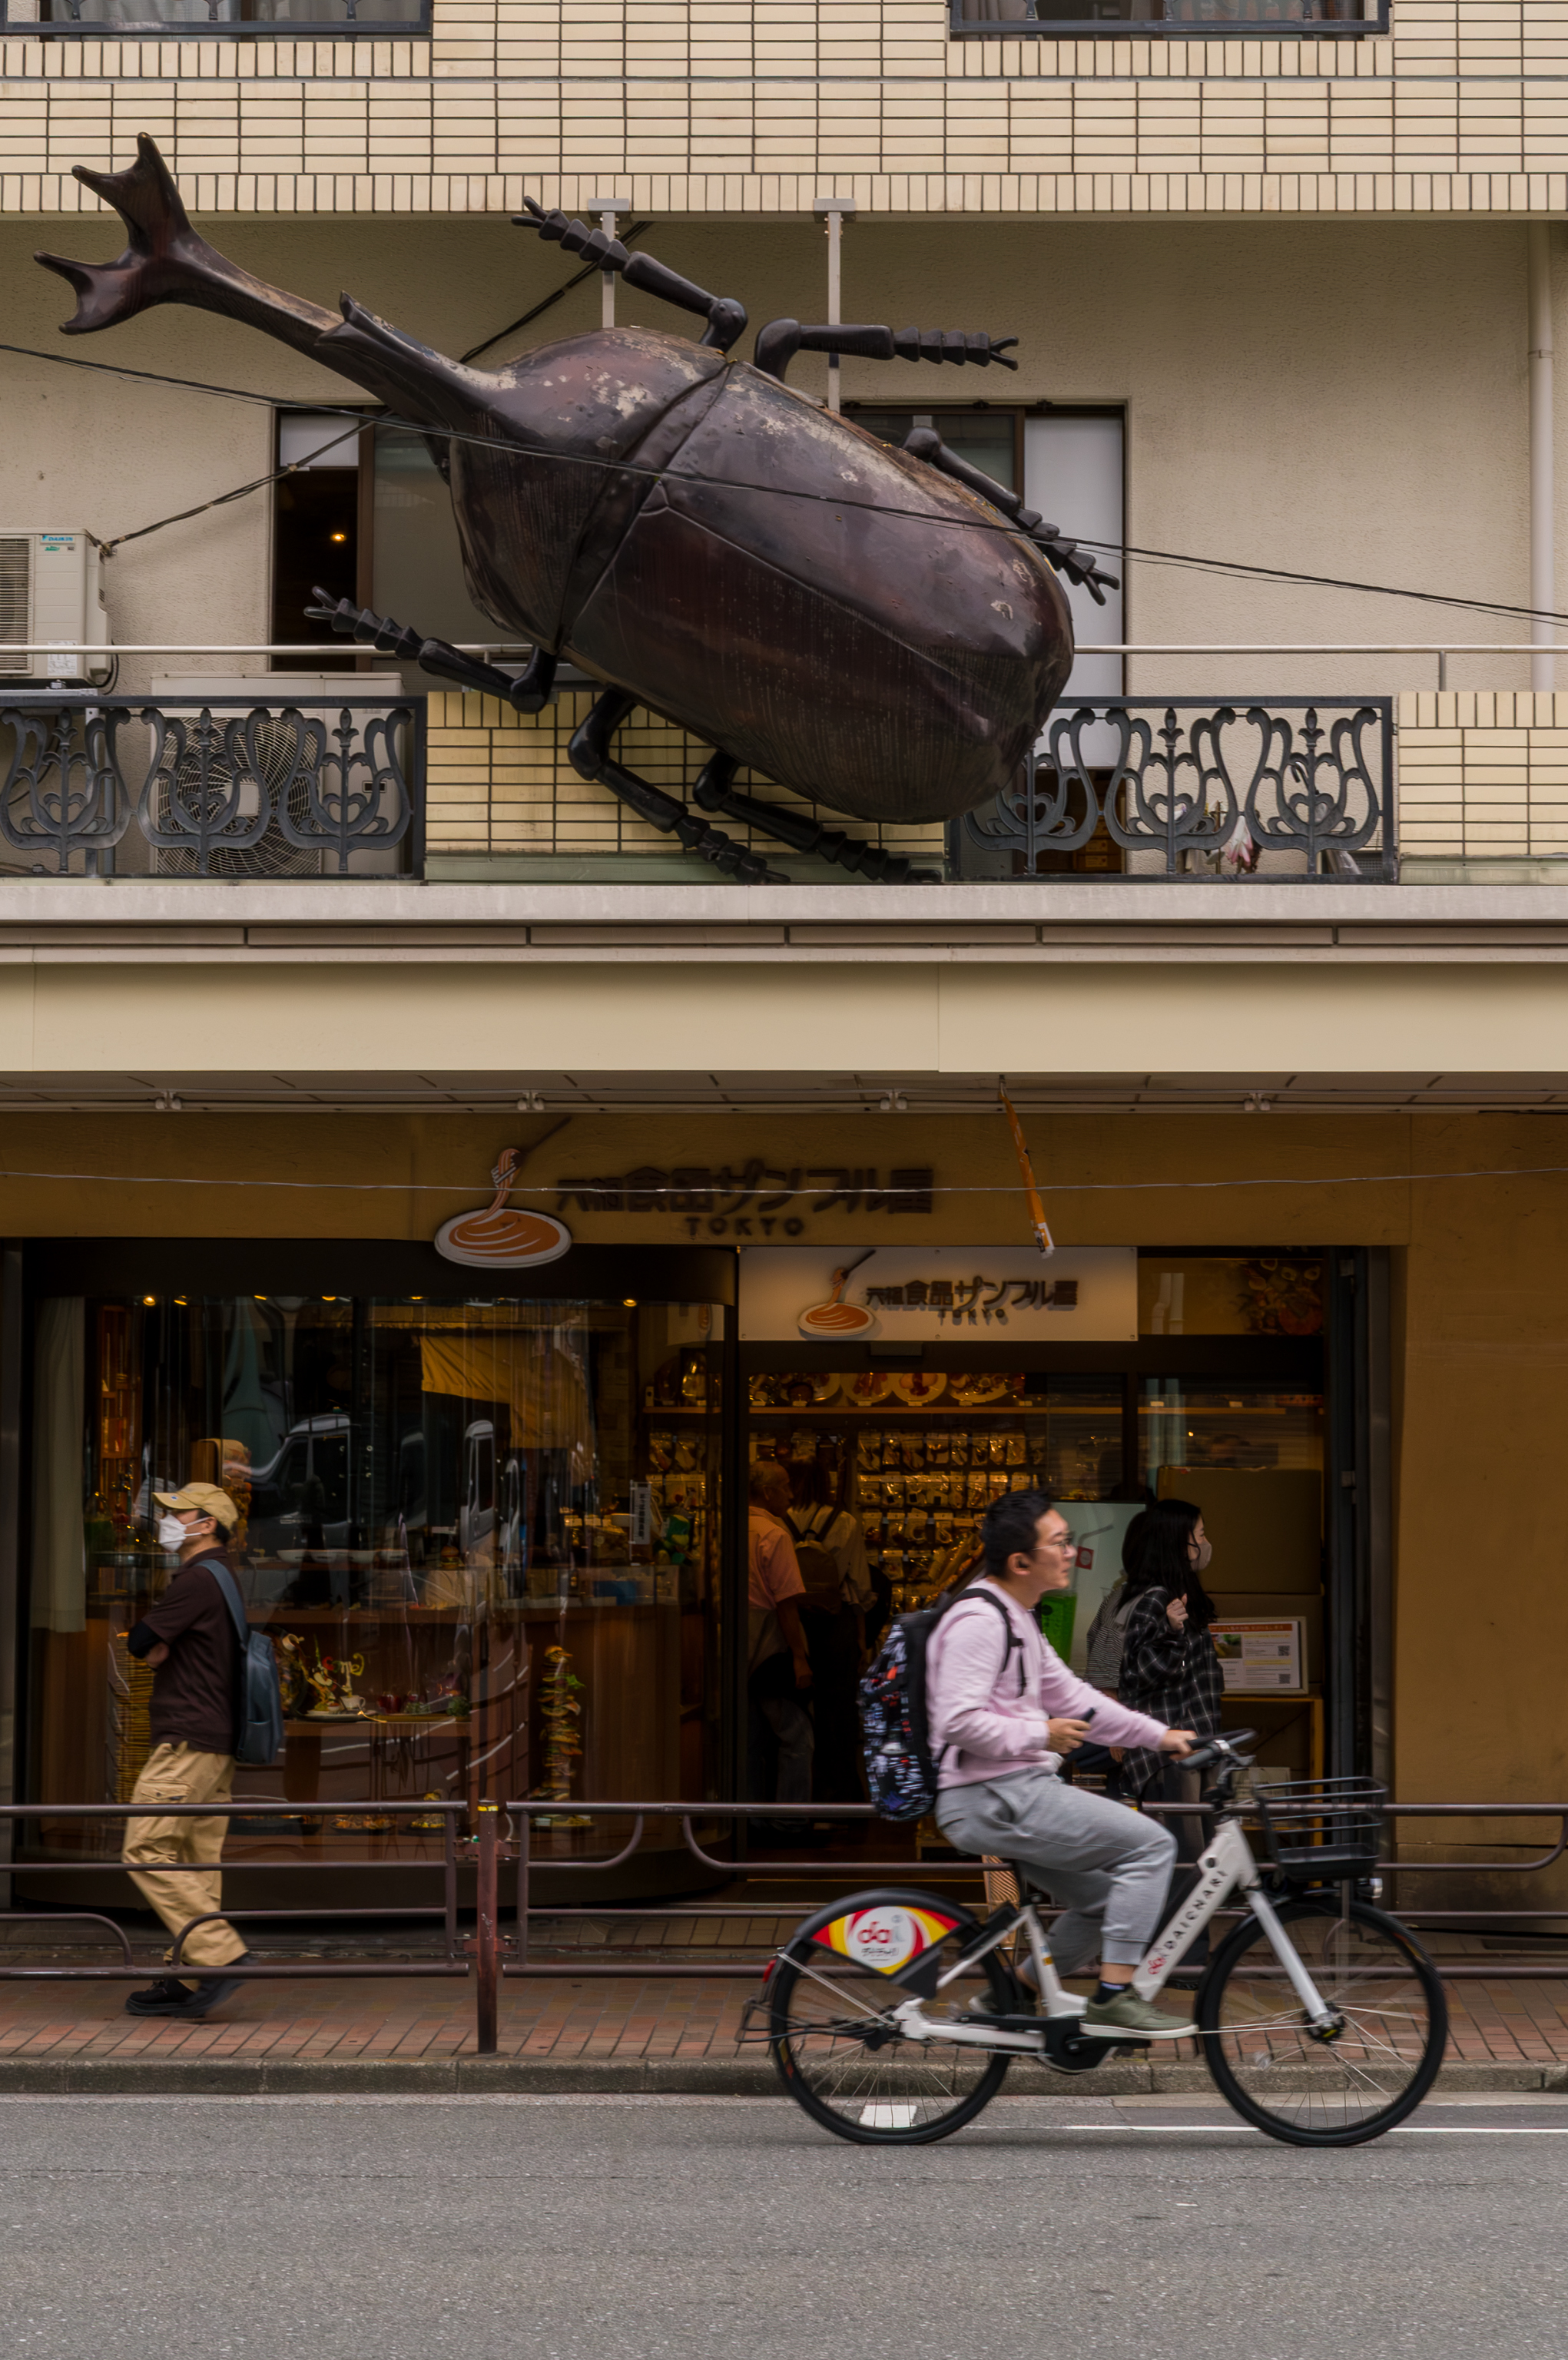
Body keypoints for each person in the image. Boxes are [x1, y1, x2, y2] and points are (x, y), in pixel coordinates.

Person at [927, 1490, 1197, 2036]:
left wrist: (1160, 1736)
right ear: (1020, 1562)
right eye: (1059, 1542)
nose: (1071, 1552)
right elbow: (956, 1721)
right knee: (1153, 1846)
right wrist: (1040, 1733)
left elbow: (1079, 1700)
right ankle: (1114, 1996)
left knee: (1105, 1901)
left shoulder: (1017, 1618)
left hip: (1012, 1791)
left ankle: (1013, 1994)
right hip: (995, 1796)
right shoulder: (979, 1621)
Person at [121, 1481, 255, 2019]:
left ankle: (221, 1956)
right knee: (197, 1863)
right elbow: (152, 1646)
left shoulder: (197, 1579)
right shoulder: (223, 1577)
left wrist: (157, 1644)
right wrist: (158, 1644)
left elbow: (140, 1642)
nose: (167, 1521)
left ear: (208, 1524)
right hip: (215, 1741)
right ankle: (190, 1975)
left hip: (186, 1739)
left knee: (144, 1849)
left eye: (179, 1513)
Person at [1116, 1496, 1225, 1971]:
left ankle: (1181, 1959)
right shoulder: (1156, 1600)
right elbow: (1141, 1674)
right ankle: (1178, 1964)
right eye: (1198, 1535)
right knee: (1187, 1860)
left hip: (1191, 1748)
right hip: (1169, 1752)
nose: (1205, 1544)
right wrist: (1174, 1632)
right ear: (1178, 1543)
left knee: (1193, 1857)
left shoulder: (1173, 1597)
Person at [788, 1450, 876, 1805]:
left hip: (792, 1622)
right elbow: (859, 1586)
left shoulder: (780, 1521)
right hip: (835, 1623)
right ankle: (838, 1796)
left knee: (794, 1710)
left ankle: (798, 1795)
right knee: (838, 1711)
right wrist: (862, 1637)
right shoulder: (845, 1522)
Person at [748, 1458, 819, 1841]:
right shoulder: (774, 1535)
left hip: (735, 1641)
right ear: (767, 1492)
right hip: (770, 1640)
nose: (792, 1495)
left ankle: (747, 1819)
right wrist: (799, 1657)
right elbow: (787, 1602)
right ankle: (791, 1822)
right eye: (786, 1486)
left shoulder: (727, 1529)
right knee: (796, 1734)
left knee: (749, 1737)